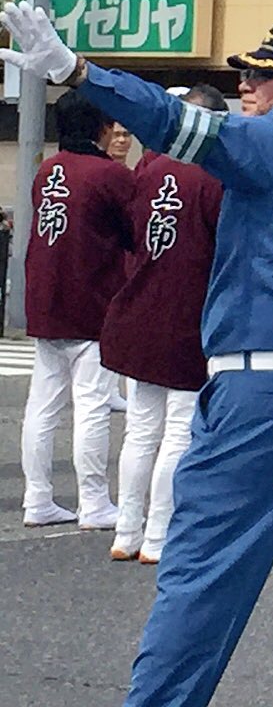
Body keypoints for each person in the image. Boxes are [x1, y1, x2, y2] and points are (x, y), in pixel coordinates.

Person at [2, 6, 273, 707]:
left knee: (201, 577)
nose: (247, 85)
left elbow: (179, 124)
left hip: (265, 397)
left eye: (266, 78)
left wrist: (78, 72)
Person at [102, 86, 228, 564]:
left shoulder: (149, 168)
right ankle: (157, 536)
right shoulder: (214, 177)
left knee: (141, 429)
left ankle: (126, 531)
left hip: (141, 307)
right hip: (188, 314)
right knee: (178, 430)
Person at [20, 88, 134, 530]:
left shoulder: (48, 170)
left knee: (42, 405)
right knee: (91, 405)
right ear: (103, 127)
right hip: (92, 301)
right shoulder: (110, 176)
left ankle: (37, 499)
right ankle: (94, 502)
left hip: (45, 300)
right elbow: (134, 234)